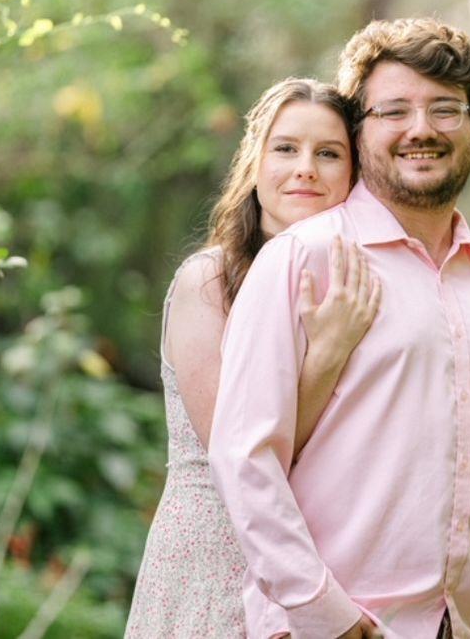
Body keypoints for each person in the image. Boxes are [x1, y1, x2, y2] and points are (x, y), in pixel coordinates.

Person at [210, 18, 470, 639]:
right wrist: (326, 614)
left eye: (445, 109)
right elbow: (245, 457)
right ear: (361, 129)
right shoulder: (300, 261)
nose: (421, 129)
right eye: (394, 111)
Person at [125, 79, 382, 637]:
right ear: (255, 162)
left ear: (354, 173)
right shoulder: (209, 281)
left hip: (322, 558)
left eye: (329, 154)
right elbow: (238, 450)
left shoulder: (358, 284)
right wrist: (329, 353)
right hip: (217, 551)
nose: (305, 169)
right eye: (286, 148)